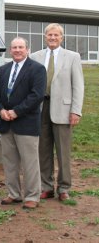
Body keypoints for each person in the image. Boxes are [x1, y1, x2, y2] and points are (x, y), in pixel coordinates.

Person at [31, 23, 84, 201]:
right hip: (40, 108)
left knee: (63, 151)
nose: (52, 38)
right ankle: (46, 186)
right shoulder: (35, 56)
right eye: (49, 35)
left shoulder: (72, 57)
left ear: (61, 37)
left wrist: (76, 110)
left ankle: (63, 188)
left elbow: (78, 85)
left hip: (64, 109)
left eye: (56, 35)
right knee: (43, 150)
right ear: (45, 37)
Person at [0, 37, 46, 210]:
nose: (17, 50)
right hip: (6, 123)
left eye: (21, 47)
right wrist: (1, 111)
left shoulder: (37, 69)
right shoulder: (4, 69)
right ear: (10, 50)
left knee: (30, 162)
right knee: (10, 161)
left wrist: (16, 111)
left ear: (27, 50)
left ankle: (32, 196)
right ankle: (13, 194)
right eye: (14, 47)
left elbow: (36, 95)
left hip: (26, 123)